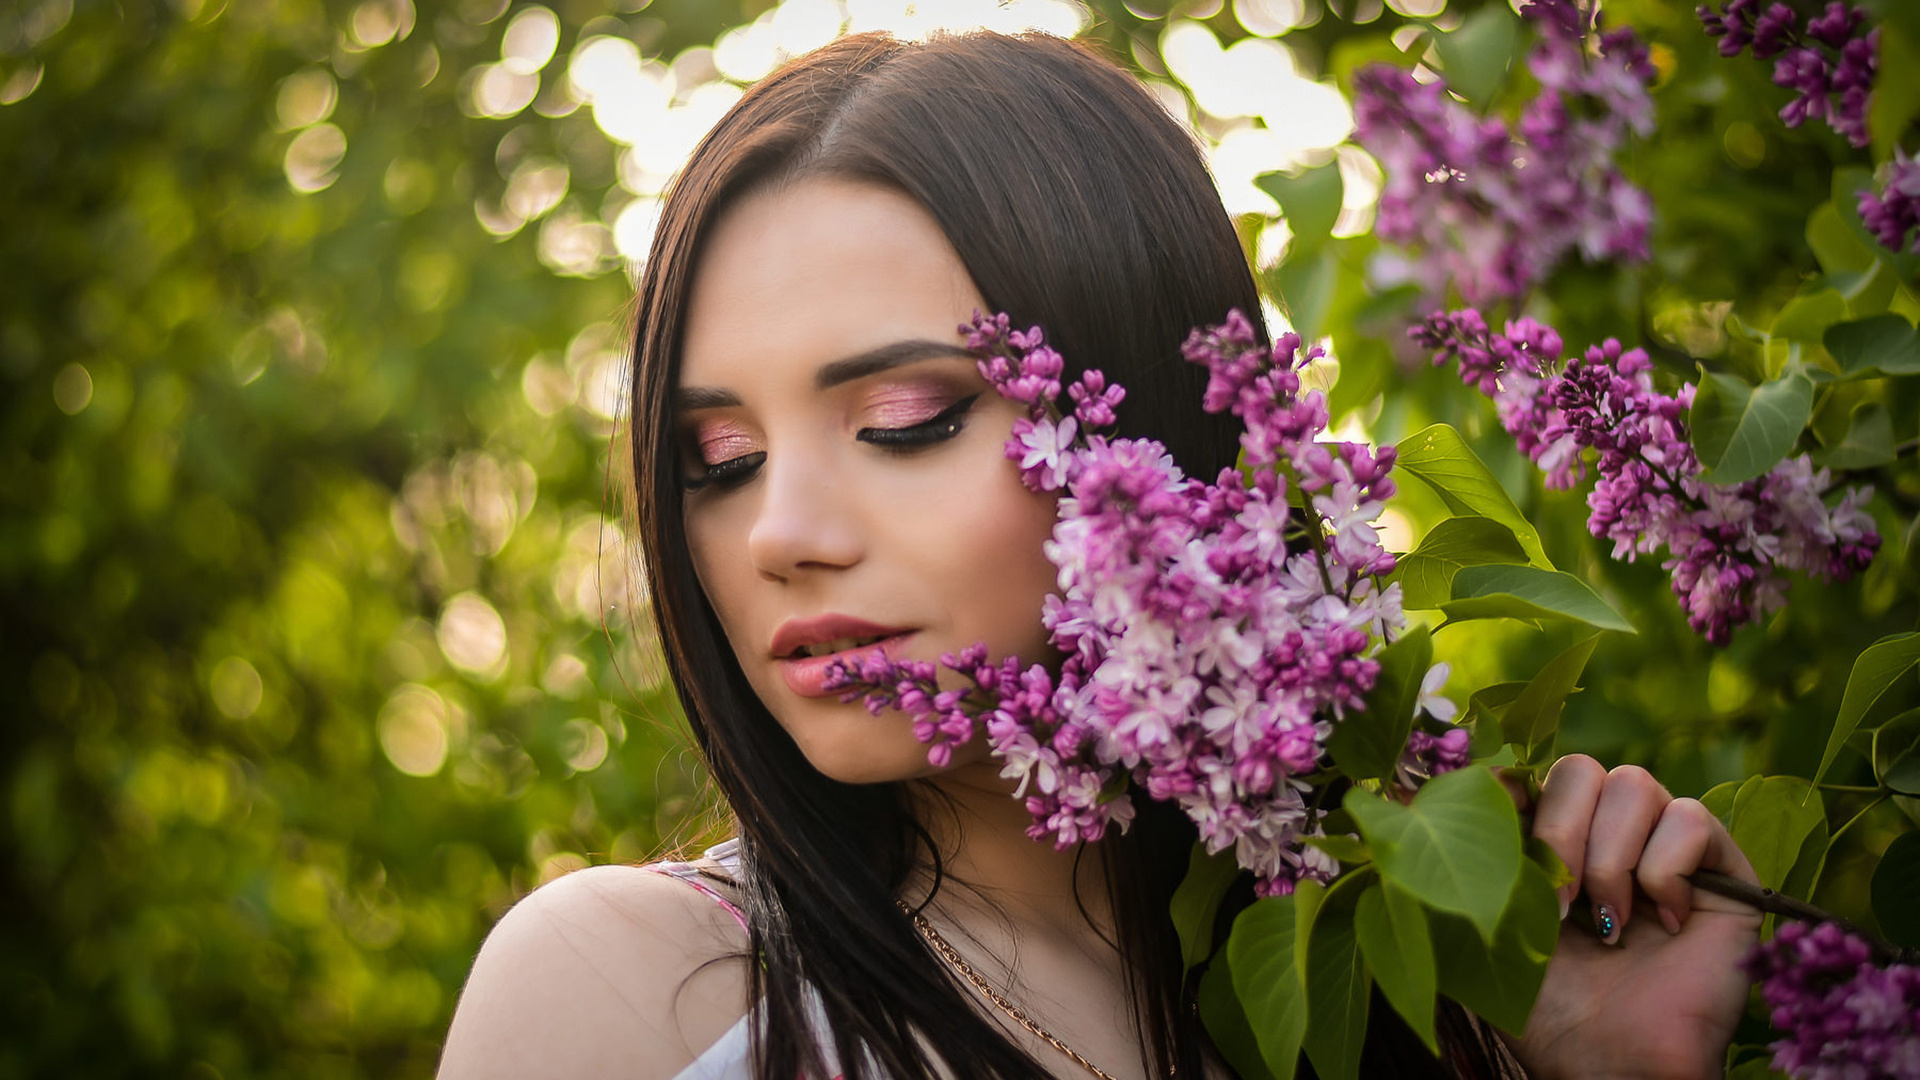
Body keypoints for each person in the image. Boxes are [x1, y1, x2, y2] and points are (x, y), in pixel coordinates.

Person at [437, 29, 1763, 1080]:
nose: (779, 533)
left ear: (1152, 433)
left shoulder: (1393, 985)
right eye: (715, 463)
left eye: (909, 421)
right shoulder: (643, 992)